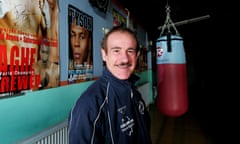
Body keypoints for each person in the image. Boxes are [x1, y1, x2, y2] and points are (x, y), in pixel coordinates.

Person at [68, 26, 152, 144]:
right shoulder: (88, 106)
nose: (124, 59)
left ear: (137, 55)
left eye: (130, 51)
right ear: (104, 54)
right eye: (116, 50)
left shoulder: (134, 93)